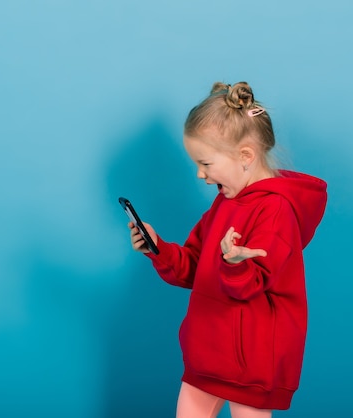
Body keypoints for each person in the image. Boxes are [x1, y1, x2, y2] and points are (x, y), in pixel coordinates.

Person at [127, 81, 328, 418]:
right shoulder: (224, 203)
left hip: (251, 364)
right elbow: (195, 265)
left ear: (245, 156)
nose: (200, 175)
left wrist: (236, 264)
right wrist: (158, 249)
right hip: (207, 353)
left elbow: (254, 281)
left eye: (206, 163)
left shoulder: (276, 212)